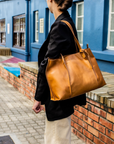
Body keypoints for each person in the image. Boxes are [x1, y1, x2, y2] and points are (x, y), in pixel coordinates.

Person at [32, 0, 86, 143]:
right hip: (63, 93)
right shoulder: (67, 21)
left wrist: (38, 98)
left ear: (51, 0)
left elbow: (47, 65)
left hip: (58, 96)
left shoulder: (61, 25)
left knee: (56, 138)